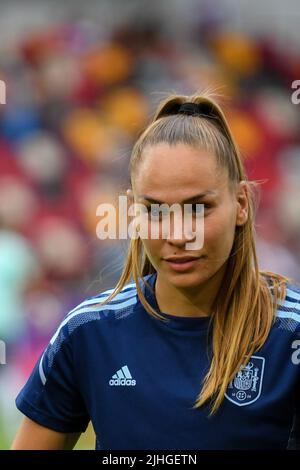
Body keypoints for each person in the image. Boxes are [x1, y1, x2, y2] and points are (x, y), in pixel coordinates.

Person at [12, 92, 300, 450]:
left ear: (241, 204)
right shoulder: (87, 333)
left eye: (198, 208)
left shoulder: (291, 336)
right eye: (155, 210)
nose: (178, 235)